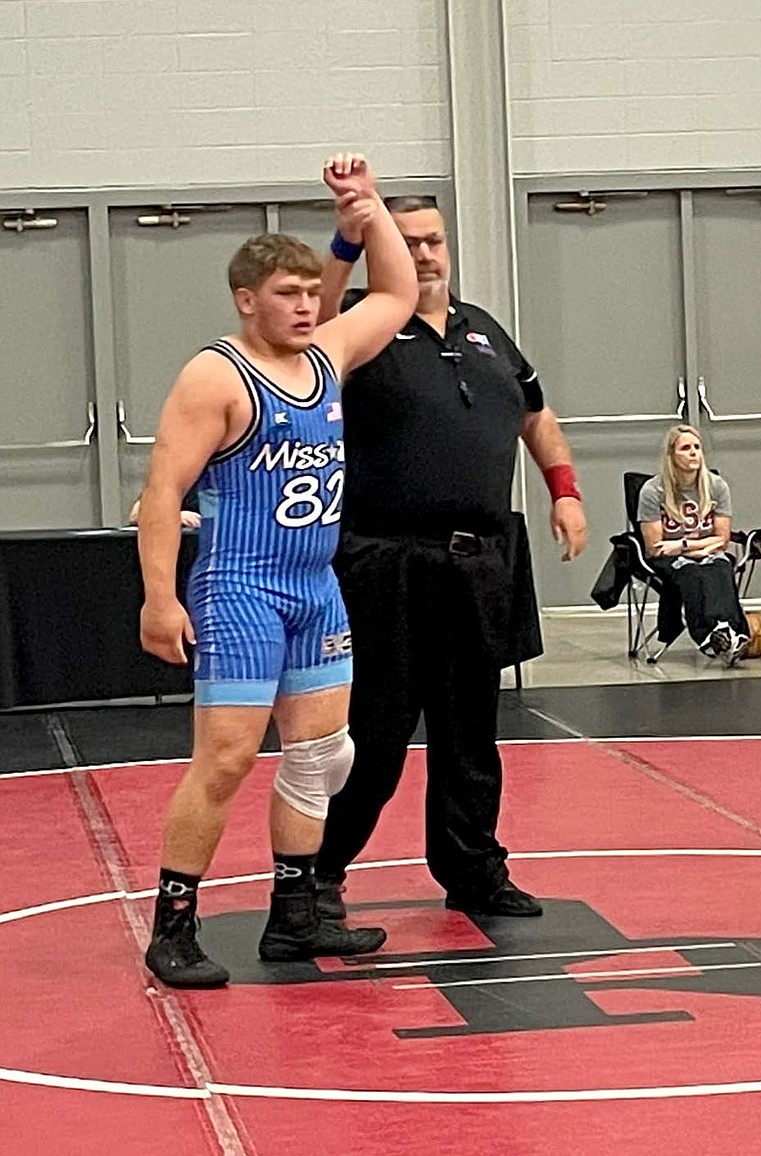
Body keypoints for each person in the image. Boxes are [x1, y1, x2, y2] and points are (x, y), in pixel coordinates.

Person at [137, 153, 417, 988]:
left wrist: (367, 211)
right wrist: (159, 598)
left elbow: (397, 294)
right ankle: (173, 925)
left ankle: (294, 920)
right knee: (224, 760)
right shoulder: (216, 375)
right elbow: (161, 491)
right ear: (246, 300)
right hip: (241, 588)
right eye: (287, 295)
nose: (305, 306)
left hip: (314, 585)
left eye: (310, 291)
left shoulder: (327, 357)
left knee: (322, 756)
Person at [312, 185, 588, 929]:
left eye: (434, 239)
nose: (426, 253)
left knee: (471, 734)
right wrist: (345, 237)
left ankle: (473, 870)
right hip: (388, 564)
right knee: (375, 734)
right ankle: (317, 879)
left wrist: (564, 490)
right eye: (408, 241)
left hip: (479, 566)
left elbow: (537, 413)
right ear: (384, 251)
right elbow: (307, 334)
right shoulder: (359, 327)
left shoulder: (485, 330)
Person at [637, 424, 750, 664]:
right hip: (669, 558)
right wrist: (698, 547)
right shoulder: (652, 490)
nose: (693, 453)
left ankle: (723, 632)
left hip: (696, 550)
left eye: (697, 447)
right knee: (691, 571)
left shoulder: (717, 486)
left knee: (720, 567)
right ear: (671, 455)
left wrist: (683, 545)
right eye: (685, 448)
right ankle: (712, 635)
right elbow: (655, 546)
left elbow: (722, 540)